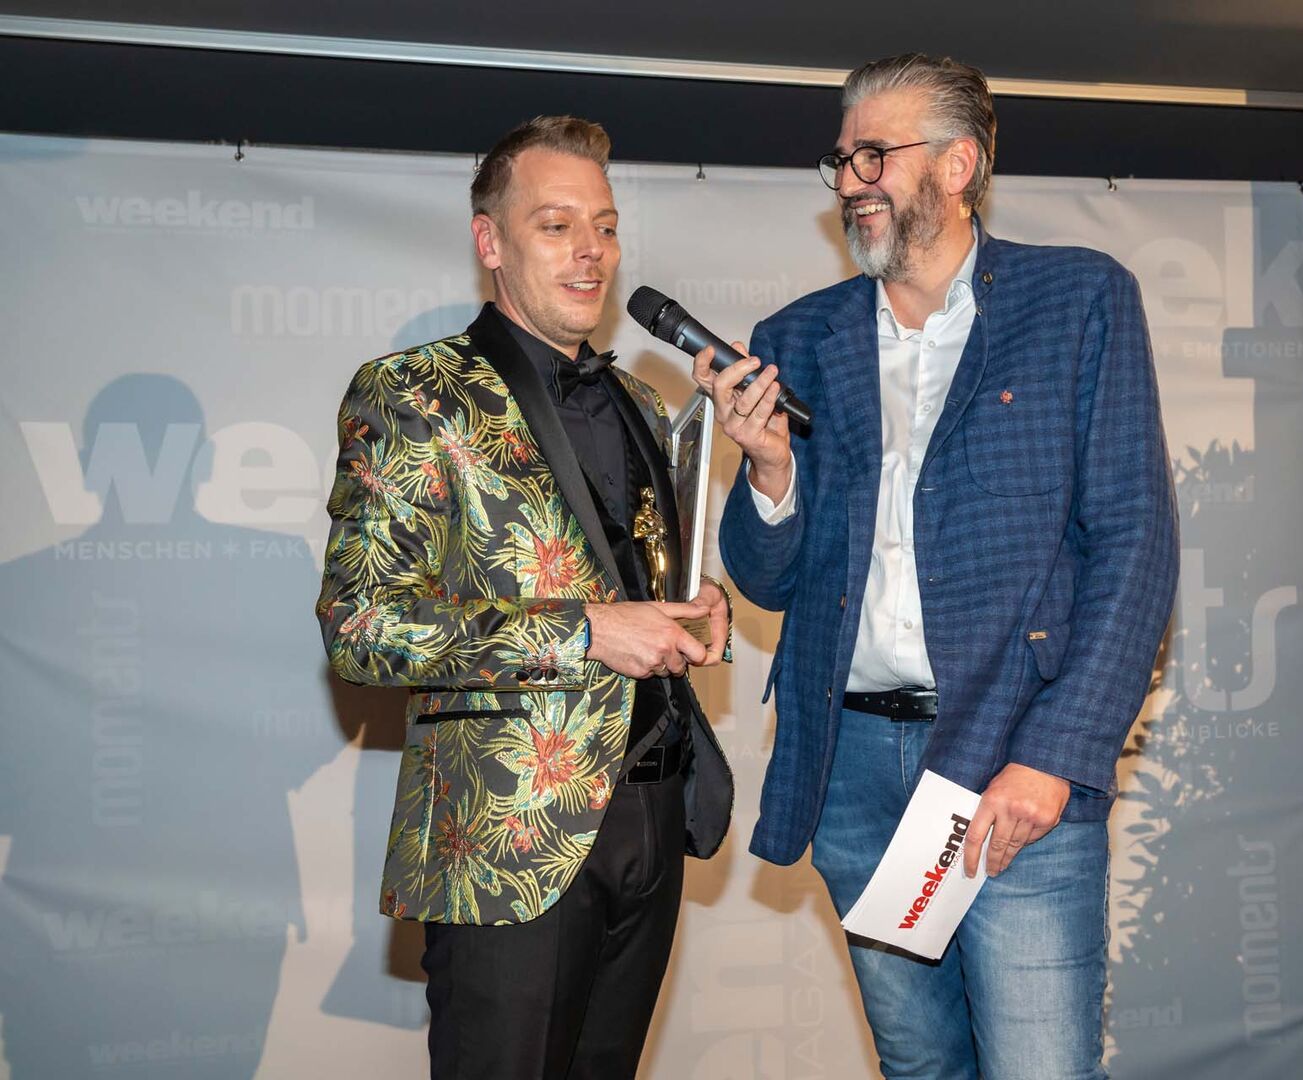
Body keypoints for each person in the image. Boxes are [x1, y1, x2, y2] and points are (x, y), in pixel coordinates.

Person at [701, 54, 1178, 1079]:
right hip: (854, 770)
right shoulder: (800, 338)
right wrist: (772, 470)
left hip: (1012, 756)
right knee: (919, 1068)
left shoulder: (1077, 301)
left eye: (876, 154)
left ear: (959, 165)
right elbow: (766, 578)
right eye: (842, 159)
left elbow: (1135, 542)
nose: (851, 180)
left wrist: (1055, 756)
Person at [316, 115, 734, 1080]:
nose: (592, 250)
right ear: (490, 242)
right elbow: (361, 627)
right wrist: (585, 633)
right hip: (508, 838)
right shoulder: (415, 393)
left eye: (606, 226)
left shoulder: (641, 402)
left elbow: (630, 592)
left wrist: (693, 608)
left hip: (653, 812)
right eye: (557, 225)